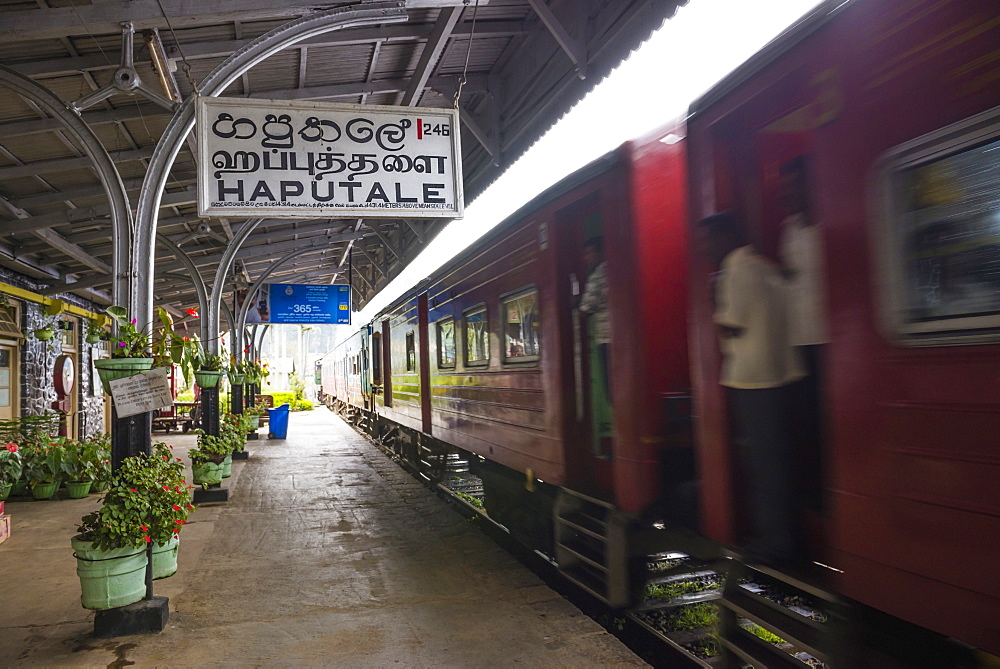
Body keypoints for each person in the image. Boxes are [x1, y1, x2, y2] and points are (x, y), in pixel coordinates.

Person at [699, 212, 805, 565]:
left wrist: (717, 306)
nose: (704, 246)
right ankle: (789, 537)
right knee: (780, 460)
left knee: (764, 465)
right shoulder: (765, 265)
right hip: (782, 375)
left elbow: (732, 325)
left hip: (752, 378)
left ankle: (776, 544)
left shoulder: (736, 270)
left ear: (726, 236)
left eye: (709, 238)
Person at [778, 155, 827, 510]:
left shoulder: (830, 218)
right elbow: (788, 275)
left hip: (831, 337)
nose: (789, 193)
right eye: (786, 187)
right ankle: (817, 490)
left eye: (796, 185)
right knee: (808, 420)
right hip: (799, 338)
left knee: (831, 417)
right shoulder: (790, 227)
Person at [578, 237, 612, 455]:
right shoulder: (614, 270)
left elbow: (586, 308)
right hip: (615, 339)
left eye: (589, 253)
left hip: (606, 339)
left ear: (600, 253)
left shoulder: (599, 274)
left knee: (612, 392)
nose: (586, 258)